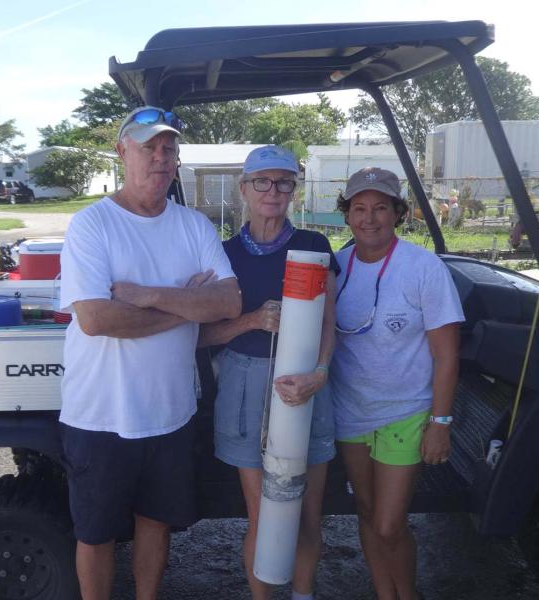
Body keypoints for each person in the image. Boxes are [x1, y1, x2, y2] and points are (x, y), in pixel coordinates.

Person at [58, 105, 242, 600]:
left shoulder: (193, 226)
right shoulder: (92, 225)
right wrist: (188, 305)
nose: (159, 159)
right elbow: (96, 320)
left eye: (168, 149)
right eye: (148, 147)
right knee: (94, 533)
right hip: (100, 415)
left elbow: (229, 300)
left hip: (170, 413)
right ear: (122, 152)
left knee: (155, 522)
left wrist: (151, 295)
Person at [198, 145, 339, 600]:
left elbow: (328, 323)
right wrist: (252, 321)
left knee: (305, 513)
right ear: (243, 189)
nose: (272, 191)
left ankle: (302, 595)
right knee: (263, 514)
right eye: (262, 181)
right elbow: (201, 337)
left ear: (293, 191)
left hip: (305, 385)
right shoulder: (223, 257)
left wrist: (319, 373)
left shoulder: (314, 248)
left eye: (284, 182)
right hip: (244, 383)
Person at [329, 167, 464, 600]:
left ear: (398, 213)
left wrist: (440, 422)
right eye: (360, 209)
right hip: (350, 413)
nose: (370, 218)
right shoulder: (337, 266)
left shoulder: (423, 268)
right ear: (347, 216)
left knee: (389, 523)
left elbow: (447, 355)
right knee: (366, 513)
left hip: (406, 412)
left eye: (381, 208)